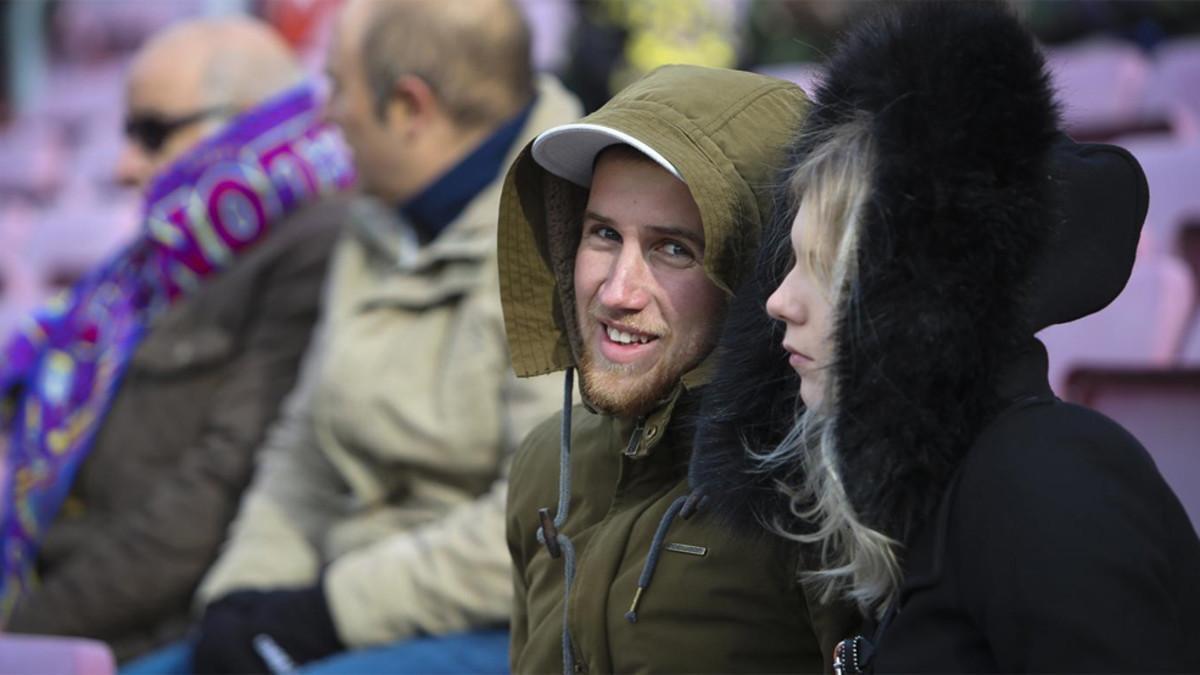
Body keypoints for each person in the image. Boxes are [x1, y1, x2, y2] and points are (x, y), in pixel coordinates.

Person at [695, 2, 1200, 672]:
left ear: (921, 298)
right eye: (788, 261)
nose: (779, 301)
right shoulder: (952, 483)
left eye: (826, 270)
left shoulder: (1045, 485)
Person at [173, 0, 582, 672]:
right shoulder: (378, 211)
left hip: (495, 623)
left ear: (411, 108)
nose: (326, 114)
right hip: (339, 604)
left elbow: (543, 518)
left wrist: (323, 613)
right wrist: (241, 594)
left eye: (337, 85)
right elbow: (304, 445)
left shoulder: (574, 237)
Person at [0, 18, 353, 662]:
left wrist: (25, 630)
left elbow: (211, 502)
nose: (126, 165)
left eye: (152, 133)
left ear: (251, 123)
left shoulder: (316, 247)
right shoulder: (170, 251)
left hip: (147, 633)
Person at [500, 64, 859, 674]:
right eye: (604, 234)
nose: (618, 291)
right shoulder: (546, 463)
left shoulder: (818, 490)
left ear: (758, 270)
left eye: (674, 249)